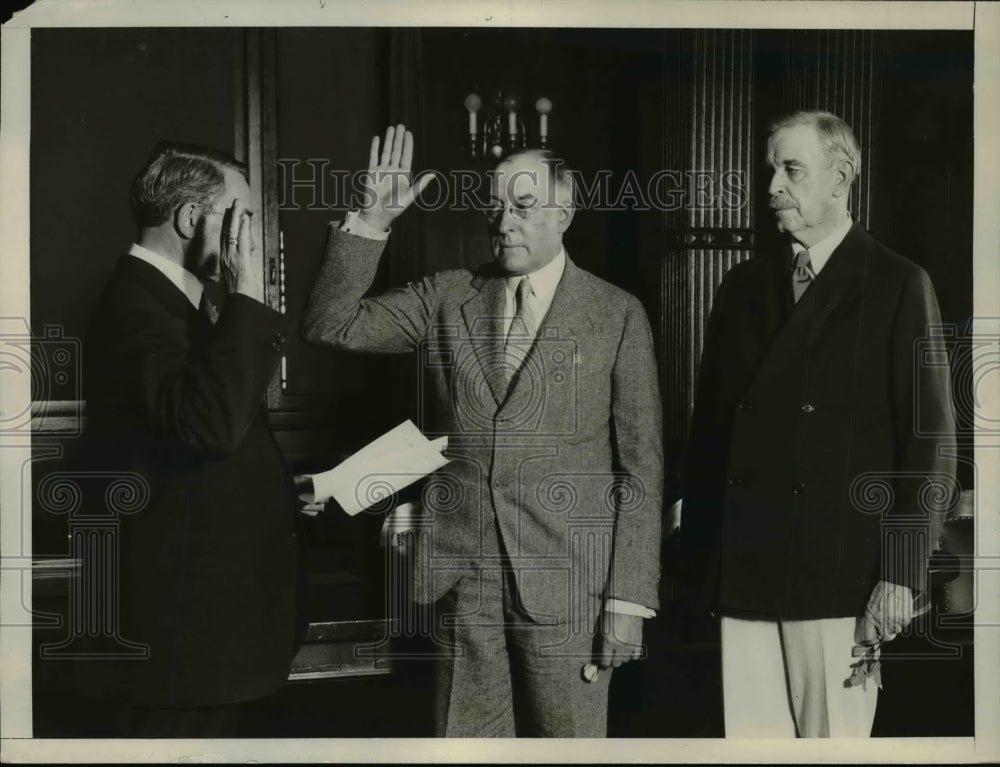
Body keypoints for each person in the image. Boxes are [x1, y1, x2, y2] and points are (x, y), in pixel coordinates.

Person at [302, 125, 663, 737]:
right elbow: (332, 324)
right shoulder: (450, 296)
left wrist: (627, 601)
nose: (504, 221)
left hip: (568, 585)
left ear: (564, 212)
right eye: (494, 206)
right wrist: (370, 223)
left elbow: (641, 466)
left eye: (523, 206)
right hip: (460, 580)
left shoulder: (616, 313)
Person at [681, 110, 957, 737]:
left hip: (841, 575)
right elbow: (710, 435)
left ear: (841, 178)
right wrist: (700, 556)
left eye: (792, 170)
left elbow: (929, 442)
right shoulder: (742, 287)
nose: (773, 185)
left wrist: (901, 572)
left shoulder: (896, 283)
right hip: (746, 563)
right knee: (752, 743)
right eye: (772, 169)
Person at [78, 143, 300, 737]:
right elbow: (210, 425)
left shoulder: (172, 302)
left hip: (209, 635)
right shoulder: (136, 307)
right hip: (183, 645)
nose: (249, 238)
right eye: (241, 219)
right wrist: (248, 293)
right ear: (187, 219)